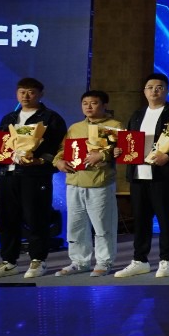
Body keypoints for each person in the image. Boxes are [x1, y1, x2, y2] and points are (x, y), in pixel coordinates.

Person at [0, 78, 67, 281]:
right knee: (6, 220)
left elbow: (59, 149)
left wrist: (40, 161)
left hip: (34, 176)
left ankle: (38, 260)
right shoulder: (9, 117)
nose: (26, 96)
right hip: (6, 175)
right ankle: (8, 262)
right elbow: (0, 144)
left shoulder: (51, 118)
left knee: (36, 218)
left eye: (31, 92)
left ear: (40, 94)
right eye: (22, 92)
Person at [115, 73, 169, 279]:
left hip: (163, 176)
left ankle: (167, 260)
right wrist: (120, 150)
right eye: (150, 87)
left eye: (159, 87)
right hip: (138, 175)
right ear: (144, 91)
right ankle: (140, 260)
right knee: (140, 219)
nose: (154, 91)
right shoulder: (137, 114)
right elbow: (129, 141)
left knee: (166, 218)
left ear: (166, 90)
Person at [52, 90, 122, 276]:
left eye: (94, 103)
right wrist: (58, 162)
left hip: (99, 182)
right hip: (74, 182)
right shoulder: (75, 127)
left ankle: (104, 262)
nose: (88, 107)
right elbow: (62, 150)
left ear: (104, 105)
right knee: (76, 225)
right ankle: (79, 261)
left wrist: (103, 155)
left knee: (103, 226)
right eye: (85, 103)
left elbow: (121, 150)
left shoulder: (114, 126)